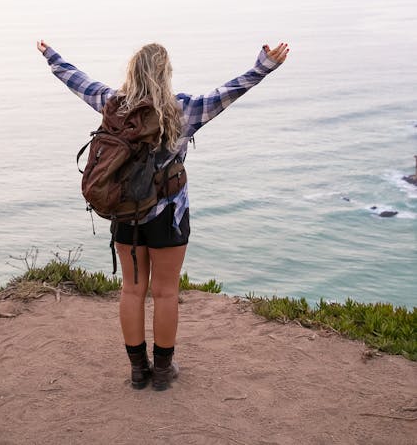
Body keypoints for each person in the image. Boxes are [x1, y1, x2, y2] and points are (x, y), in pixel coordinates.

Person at [37, 38, 289, 390]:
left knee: (131, 289)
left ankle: (138, 370)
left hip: (126, 215)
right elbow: (230, 92)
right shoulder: (183, 110)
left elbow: (78, 81)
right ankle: (163, 372)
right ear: (165, 74)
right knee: (166, 292)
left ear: (133, 72)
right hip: (169, 216)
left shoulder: (113, 105)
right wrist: (263, 66)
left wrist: (52, 56)